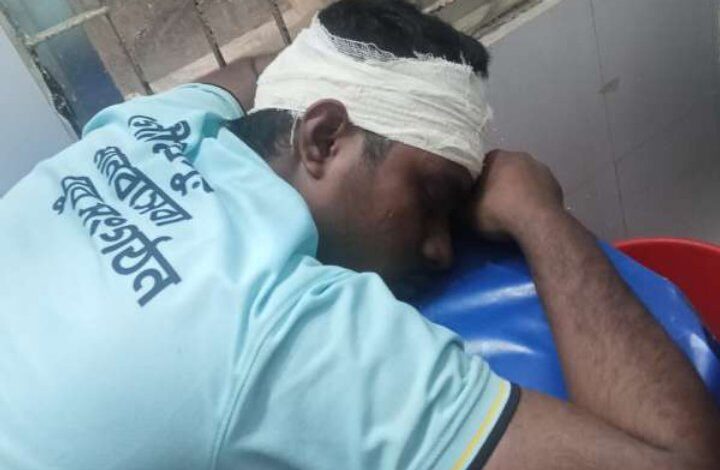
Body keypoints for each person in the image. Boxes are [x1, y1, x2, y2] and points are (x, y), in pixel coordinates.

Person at [0, 1, 718, 468]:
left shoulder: (152, 126)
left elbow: (254, 70)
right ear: (321, 138)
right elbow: (681, 461)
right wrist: (539, 213)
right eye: (431, 198)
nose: (440, 247)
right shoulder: (290, 329)